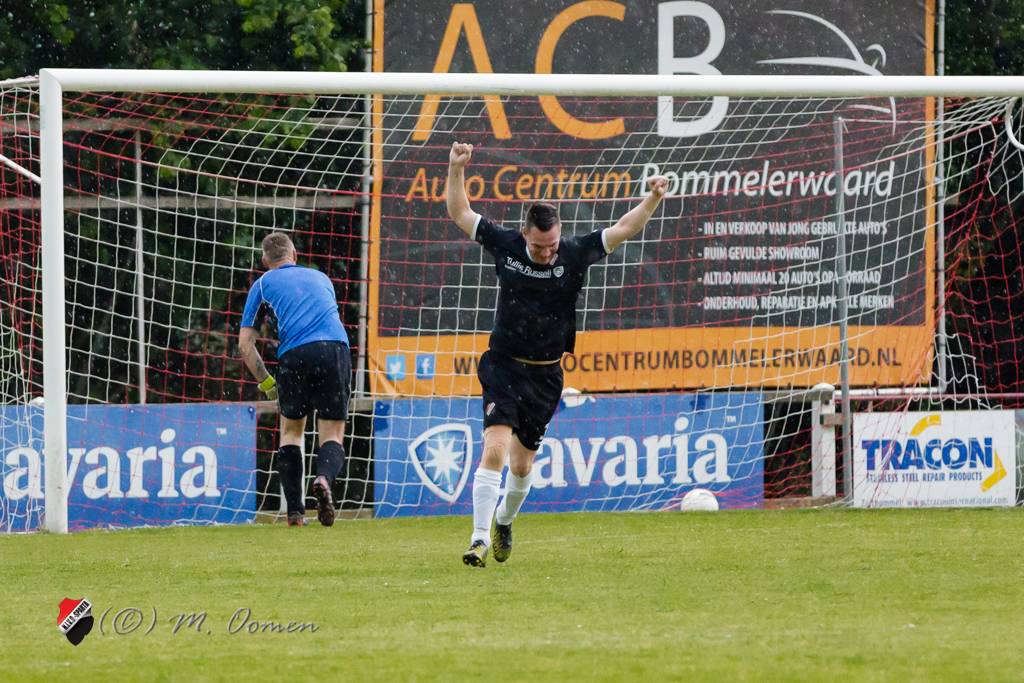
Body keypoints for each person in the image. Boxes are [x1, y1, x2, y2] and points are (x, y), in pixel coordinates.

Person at [446, 141, 669, 567]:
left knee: (522, 465)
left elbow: (624, 228)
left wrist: (652, 199)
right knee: (494, 446)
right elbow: (460, 212)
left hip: (546, 375)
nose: (547, 253)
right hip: (502, 365)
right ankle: (477, 539)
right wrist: (457, 168)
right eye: (539, 247)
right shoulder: (506, 245)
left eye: (551, 246)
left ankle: (504, 521)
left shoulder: (574, 252)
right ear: (525, 233)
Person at [239, 232, 352, 527]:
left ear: (265, 260)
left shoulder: (262, 284)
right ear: (295, 255)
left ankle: (295, 515)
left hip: (295, 354)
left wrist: (268, 384)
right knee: (332, 434)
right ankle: (323, 479)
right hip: (335, 348)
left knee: (290, 433)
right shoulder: (321, 278)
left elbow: (245, 346)